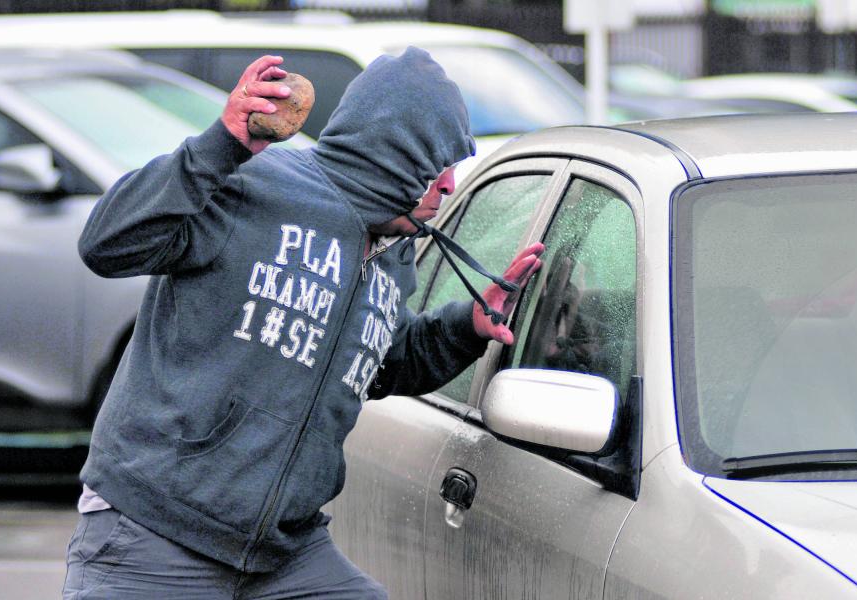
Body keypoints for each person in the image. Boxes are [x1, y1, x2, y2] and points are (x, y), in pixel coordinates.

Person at [62, 49, 543, 599]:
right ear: (394, 158)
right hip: (154, 534)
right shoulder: (254, 184)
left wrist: (467, 328)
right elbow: (106, 245)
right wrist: (219, 146)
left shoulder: (393, 247)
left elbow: (378, 364)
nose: (451, 185)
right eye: (440, 166)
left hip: (282, 556)